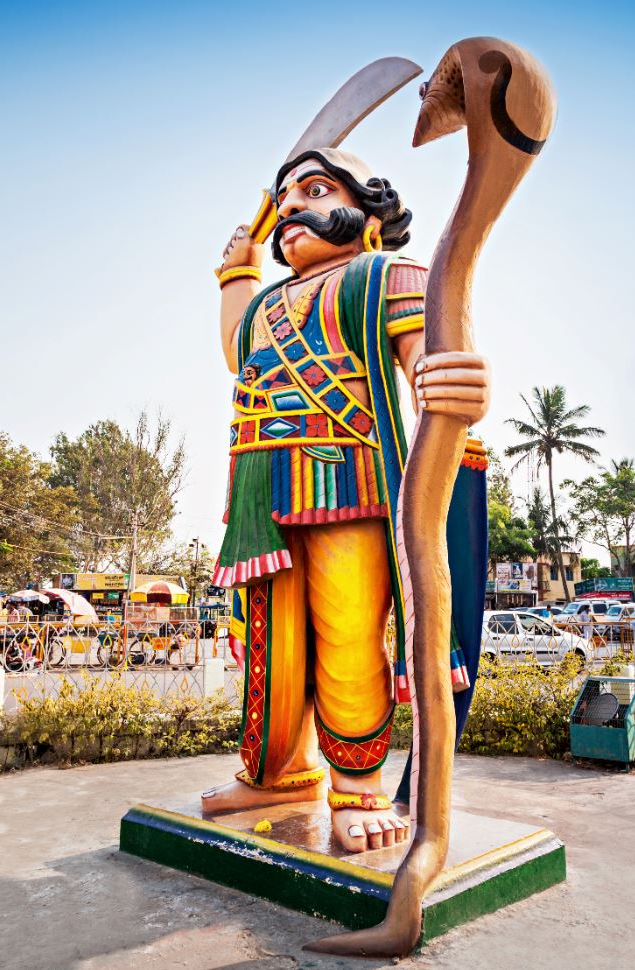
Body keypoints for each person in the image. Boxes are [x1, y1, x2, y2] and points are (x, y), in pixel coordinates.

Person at [202, 149, 491, 852]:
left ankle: (357, 788)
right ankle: (278, 773)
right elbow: (241, 353)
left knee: (347, 635)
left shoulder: (388, 274)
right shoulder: (271, 301)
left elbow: (431, 353)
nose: (293, 207)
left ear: (369, 212)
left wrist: (453, 381)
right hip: (261, 493)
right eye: (285, 197)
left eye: (317, 188)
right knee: (275, 648)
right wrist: (237, 272)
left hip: (350, 484)